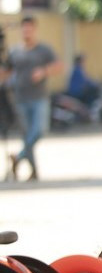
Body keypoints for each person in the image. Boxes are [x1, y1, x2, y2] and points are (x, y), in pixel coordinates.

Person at [4, 16, 61, 182]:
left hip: (39, 98)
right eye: (24, 28)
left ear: (35, 29)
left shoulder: (44, 50)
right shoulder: (15, 51)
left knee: (38, 131)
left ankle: (18, 156)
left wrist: (43, 71)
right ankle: (34, 172)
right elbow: (6, 71)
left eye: (29, 28)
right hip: (20, 98)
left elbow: (58, 66)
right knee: (27, 135)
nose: (26, 31)